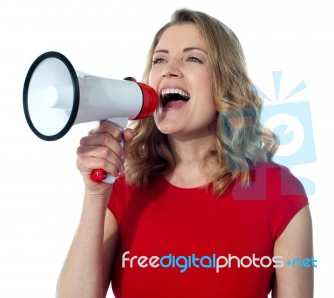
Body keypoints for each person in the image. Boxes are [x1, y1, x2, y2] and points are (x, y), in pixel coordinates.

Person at [56, 8, 314, 298]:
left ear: (225, 82)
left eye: (192, 58)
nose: (169, 69)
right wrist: (95, 195)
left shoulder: (279, 193)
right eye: (160, 59)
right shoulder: (123, 188)